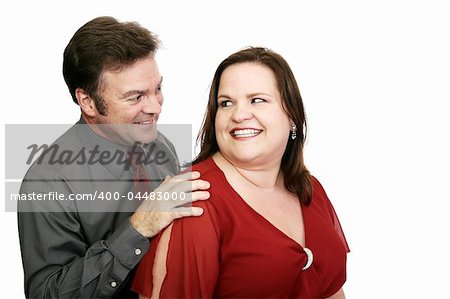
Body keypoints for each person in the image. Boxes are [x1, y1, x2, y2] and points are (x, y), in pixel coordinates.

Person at [132, 47, 350, 298]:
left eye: (257, 99)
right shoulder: (196, 201)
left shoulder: (310, 189)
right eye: (226, 103)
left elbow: (332, 288)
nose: (239, 114)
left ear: (292, 114)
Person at [17, 16, 210, 298]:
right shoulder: (47, 183)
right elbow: (46, 293)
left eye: (157, 88)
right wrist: (138, 227)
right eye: (135, 97)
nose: (155, 107)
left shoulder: (160, 145)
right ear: (88, 101)